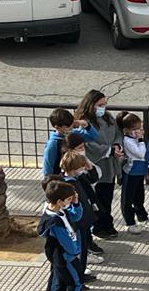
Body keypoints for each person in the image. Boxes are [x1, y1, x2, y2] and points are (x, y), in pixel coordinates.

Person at [75, 90, 120, 239]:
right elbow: (87, 144)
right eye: (100, 105)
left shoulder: (108, 117)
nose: (103, 107)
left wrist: (117, 146)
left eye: (104, 104)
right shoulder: (84, 122)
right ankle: (99, 227)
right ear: (91, 105)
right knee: (98, 199)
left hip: (110, 164)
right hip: (96, 166)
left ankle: (107, 224)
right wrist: (108, 150)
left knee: (107, 197)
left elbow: (117, 133)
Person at [38, 179, 83, 291]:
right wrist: (76, 251)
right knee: (76, 283)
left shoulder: (59, 210)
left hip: (63, 256)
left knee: (64, 283)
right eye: (68, 199)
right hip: (66, 256)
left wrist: (76, 203)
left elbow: (76, 216)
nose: (70, 201)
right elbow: (66, 242)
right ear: (59, 201)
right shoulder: (55, 222)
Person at [62, 132, 106, 262]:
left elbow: (93, 178)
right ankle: (83, 258)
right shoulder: (69, 183)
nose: (83, 150)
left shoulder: (79, 176)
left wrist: (89, 166)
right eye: (79, 148)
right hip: (78, 216)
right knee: (80, 237)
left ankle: (86, 253)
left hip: (85, 212)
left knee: (85, 234)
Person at [117, 111, 149, 234]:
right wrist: (141, 140)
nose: (139, 131)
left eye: (140, 128)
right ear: (126, 130)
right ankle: (129, 222)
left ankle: (142, 218)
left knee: (139, 197)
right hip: (131, 173)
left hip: (140, 172)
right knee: (127, 199)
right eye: (135, 129)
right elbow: (141, 153)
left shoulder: (135, 139)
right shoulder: (128, 141)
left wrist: (148, 170)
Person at [42, 108, 93, 177]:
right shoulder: (53, 144)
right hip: (60, 178)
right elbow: (47, 169)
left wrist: (86, 125)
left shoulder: (73, 132)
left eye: (72, 125)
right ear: (57, 128)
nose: (71, 128)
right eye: (67, 127)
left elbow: (92, 137)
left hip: (75, 174)